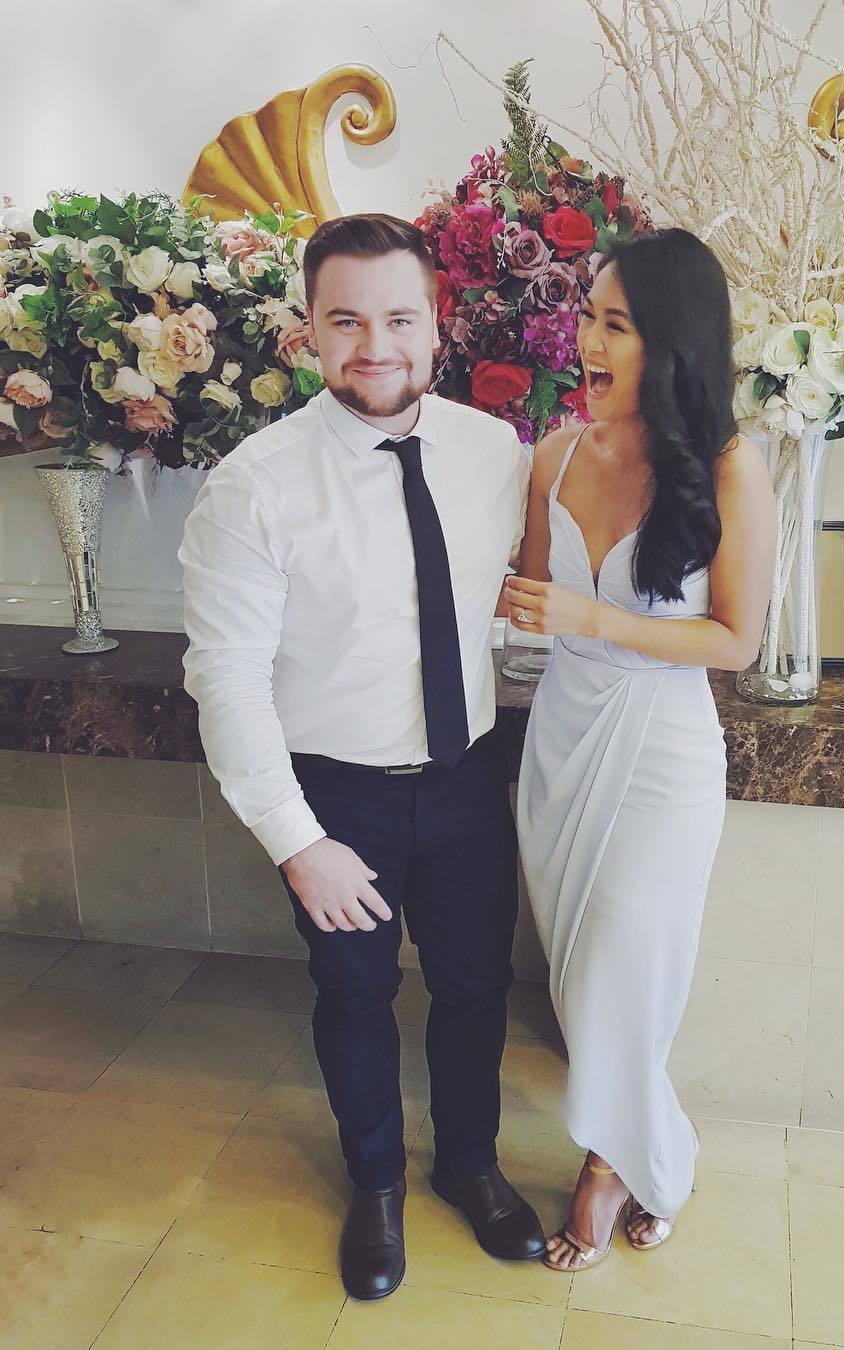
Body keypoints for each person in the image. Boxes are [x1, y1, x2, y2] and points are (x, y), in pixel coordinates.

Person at [179, 213, 545, 1302]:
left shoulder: (494, 453)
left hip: (467, 774)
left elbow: (506, 602)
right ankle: (376, 1182)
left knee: (476, 988)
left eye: (398, 319)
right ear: (308, 329)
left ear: (438, 325)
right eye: (345, 321)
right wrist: (300, 844)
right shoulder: (254, 485)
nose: (373, 346)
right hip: (338, 794)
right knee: (354, 994)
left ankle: (469, 1164)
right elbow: (226, 678)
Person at [505, 228, 776, 1271]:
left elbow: (736, 642)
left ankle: (609, 1167)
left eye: (615, 324)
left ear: (670, 343)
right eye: (587, 317)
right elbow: (531, 601)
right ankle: (657, 1149)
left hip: (662, 751)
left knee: (628, 965)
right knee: (582, 979)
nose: (588, 341)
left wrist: (595, 618)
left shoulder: (729, 468)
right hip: (562, 740)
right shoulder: (554, 456)